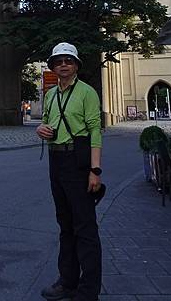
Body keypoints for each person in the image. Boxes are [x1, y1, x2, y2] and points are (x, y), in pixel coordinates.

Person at [37, 42, 103, 301]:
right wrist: (40, 130)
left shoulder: (87, 92)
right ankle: (67, 281)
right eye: (59, 61)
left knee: (85, 227)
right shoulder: (51, 94)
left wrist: (95, 170)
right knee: (65, 224)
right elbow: (45, 122)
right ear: (53, 66)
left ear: (76, 65)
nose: (63, 64)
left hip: (79, 161)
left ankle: (88, 292)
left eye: (68, 60)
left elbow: (95, 131)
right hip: (56, 160)